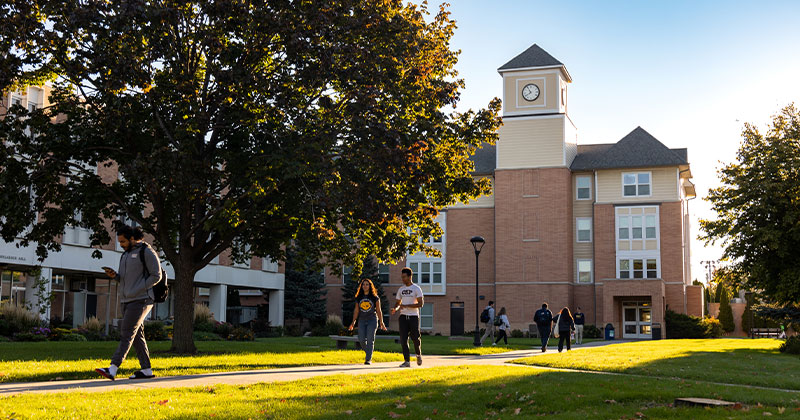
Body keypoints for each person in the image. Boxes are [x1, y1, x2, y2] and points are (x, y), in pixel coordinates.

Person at [95, 225, 162, 380]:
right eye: (119, 242)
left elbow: (156, 275)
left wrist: (137, 289)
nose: (121, 245)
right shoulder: (125, 255)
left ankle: (112, 368)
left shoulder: (146, 251)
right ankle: (146, 370)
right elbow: (126, 279)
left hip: (142, 300)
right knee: (137, 336)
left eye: (123, 241)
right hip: (126, 300)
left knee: (126, 333)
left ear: (132, 238)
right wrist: (115, 276)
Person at [347, 278, 387, 364]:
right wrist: (353, 322)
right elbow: (356, 310)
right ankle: (369, 352)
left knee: (370, 339)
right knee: (361, 339)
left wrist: (381, 322)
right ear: (361, 286)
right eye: (363, 284)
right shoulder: (359, 297)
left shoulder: (375, 297)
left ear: (370, 286)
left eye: (367, 284)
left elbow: (379, 310)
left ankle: (368, 359)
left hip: (372, 320)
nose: (365, 286)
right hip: (361, 320)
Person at [391, 267, 424, 367]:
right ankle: (407, 361)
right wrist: (395, 309)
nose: (403, 279)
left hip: (413, 316)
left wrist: (407, 306)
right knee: (403, 339)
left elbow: (421, 304)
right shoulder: (401, 289)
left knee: (415, 338)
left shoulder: (416, 288)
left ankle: (418, 355)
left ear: (410, 277)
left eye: (404, 277)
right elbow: (398, 303)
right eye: (402, 277)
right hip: (403, 317)